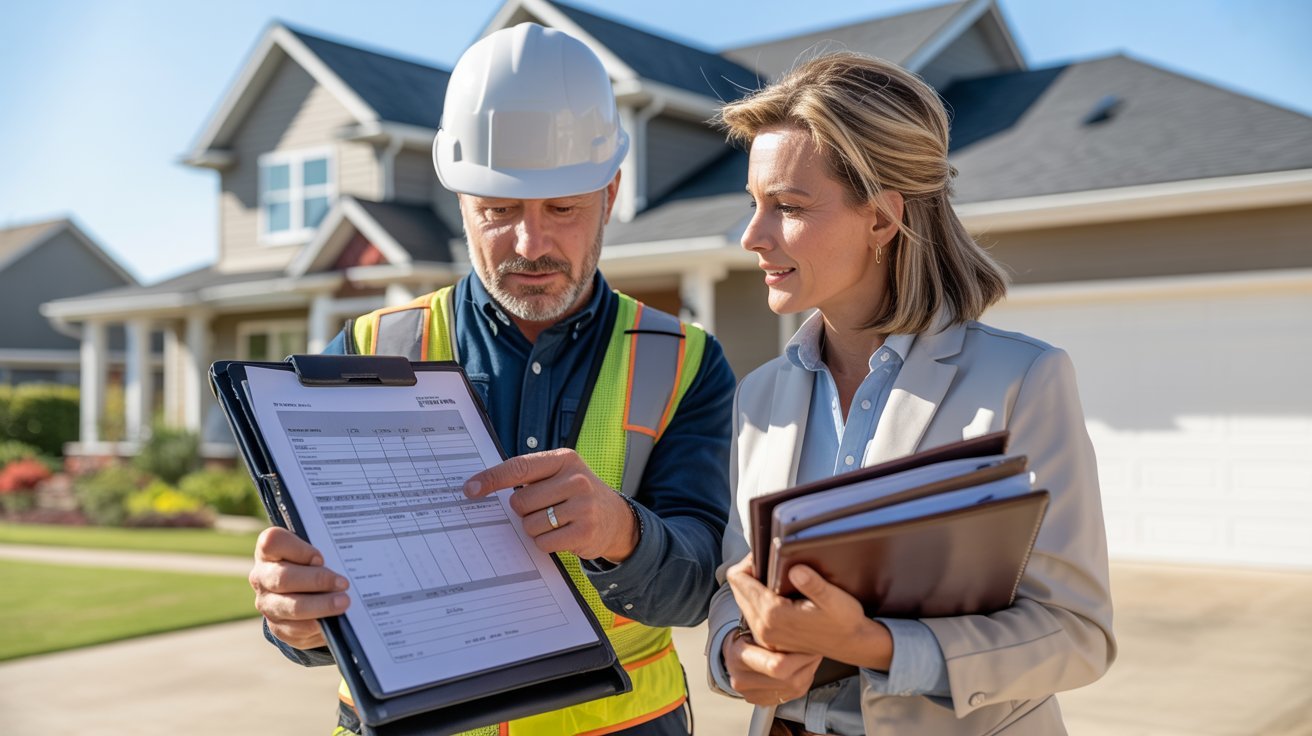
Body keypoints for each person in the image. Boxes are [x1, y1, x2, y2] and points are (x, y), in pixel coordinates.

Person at [247, 24, 735, 736]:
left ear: (612, 190)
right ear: (459, 198)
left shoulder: (685, 361)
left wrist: (621, 533)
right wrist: (297, 620)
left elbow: (698, 586)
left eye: (562, 208)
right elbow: (320, 579)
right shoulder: (366, 348)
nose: (530, 244)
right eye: (498, 210)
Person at [704, 53, 1116, 735]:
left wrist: (875, 646)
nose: (753, 237)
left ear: (881, 219)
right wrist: (733, 650)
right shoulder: (760, 396)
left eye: (789, 207)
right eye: (754, 205)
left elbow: (1075, 633)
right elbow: (737, 582)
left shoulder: (1022, 383)